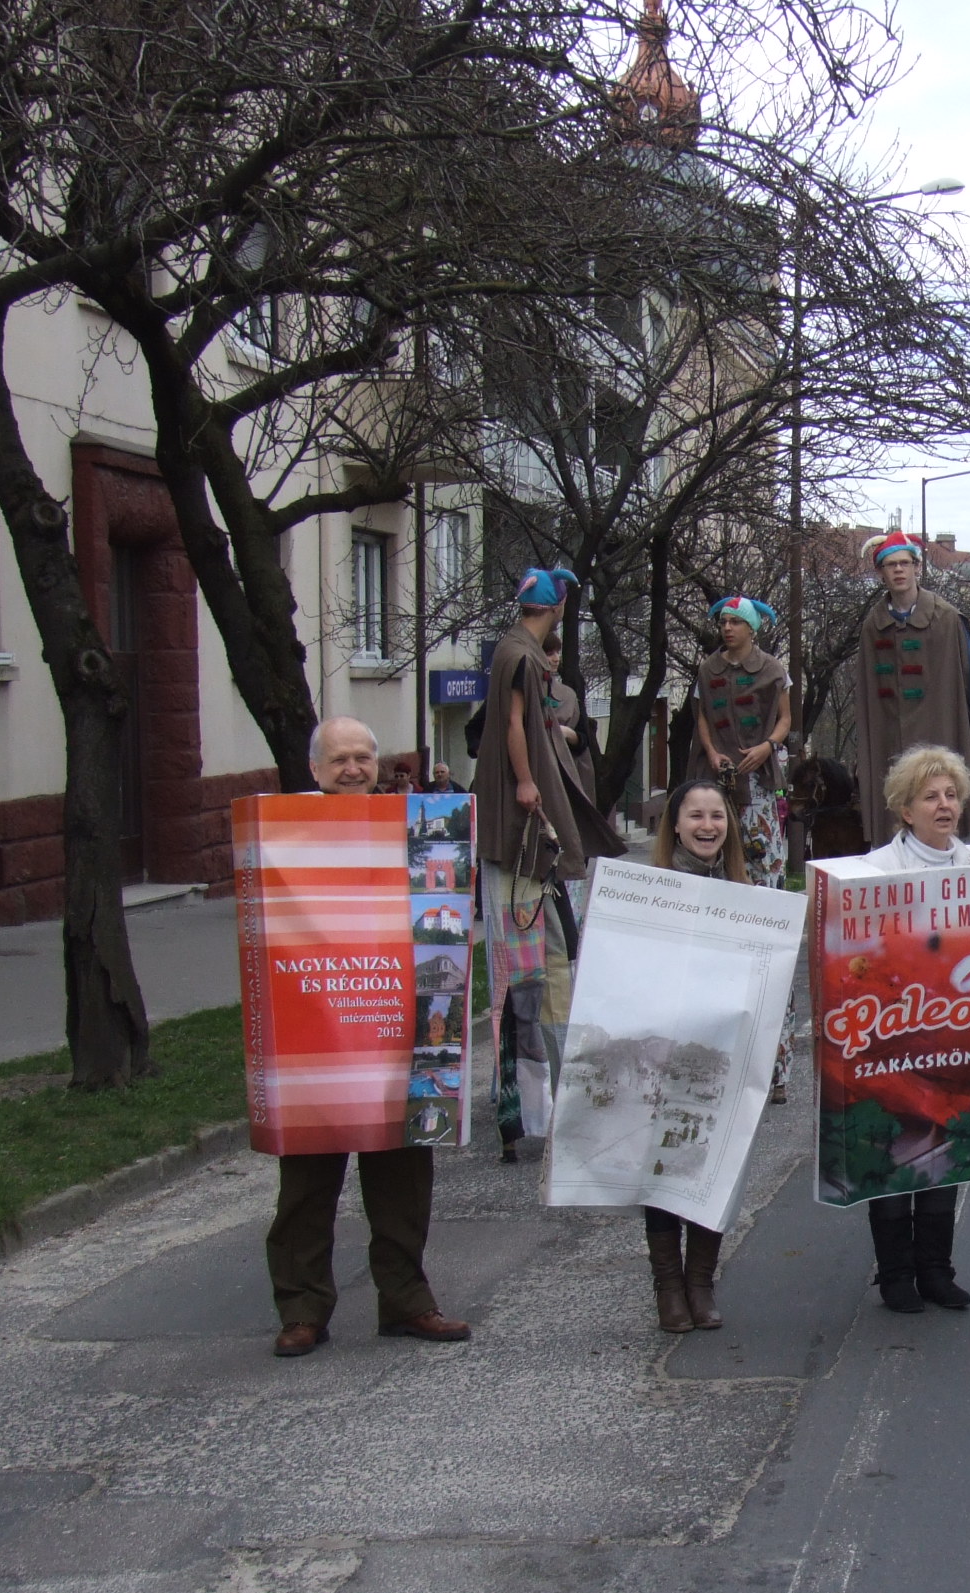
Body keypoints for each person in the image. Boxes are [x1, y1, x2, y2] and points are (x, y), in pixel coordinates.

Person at [269, 718, 473, 1357]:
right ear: (315, 769)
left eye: (363, 757)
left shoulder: (409, 826)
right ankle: (302, 1310)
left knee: (403, 1175)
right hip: (317, 1028)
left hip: (395, 1022)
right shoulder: (285, 831)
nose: (353, 768)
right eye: (339, 759)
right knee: (307, 1180)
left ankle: (407, 1302)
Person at [475, 566, 625, 1162]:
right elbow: (513, 724)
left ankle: (560, 1104)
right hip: (522, 838)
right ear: (557, 606)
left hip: (536, 844)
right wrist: (526, 782)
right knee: (527, 976)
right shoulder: (521, 656)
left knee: (555, 965)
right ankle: (529, 1109)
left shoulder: (520, 652)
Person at [852, 745, 970, 1313]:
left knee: (945, 1149)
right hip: (893, 1035)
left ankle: (936, 1269)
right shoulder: (872, 871)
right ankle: (895, 1274)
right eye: (930, 797)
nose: (944, 805)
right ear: (905, 810)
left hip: (957, 1037)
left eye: (951, 795)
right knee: (894, 1148)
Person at [639, 777, 757, 1333]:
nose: (708, 826)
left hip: (725, 1054)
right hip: (664, 1051)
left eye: (717, 816)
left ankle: (701, 1282)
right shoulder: (648, 891)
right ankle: (668, 1286)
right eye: (696, 816)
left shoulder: (747, 895)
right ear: (676, 824)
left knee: (716, 1163)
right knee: (664, 1163)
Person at [850, 533, 970, 846]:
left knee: (955, 826)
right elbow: (865, 700)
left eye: (904, 563)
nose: (898, 570)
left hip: (944, 735)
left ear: (916, 567)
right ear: (881, 572)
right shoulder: (873, 626)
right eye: (890, 565)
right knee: (895, 830)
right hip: (891, 748)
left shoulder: (946, 617)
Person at [691, 595, 792, 888]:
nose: (727, 628)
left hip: (757, 776)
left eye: (735, 622)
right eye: (723, 622)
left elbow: (785, 719)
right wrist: (711, 752)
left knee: (761, 850)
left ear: (751, 628)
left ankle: (767, 904)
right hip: (716, 775)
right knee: (715, 847)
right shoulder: (708, 669)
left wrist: (767, 746)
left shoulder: (772, 669)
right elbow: (702, 717)